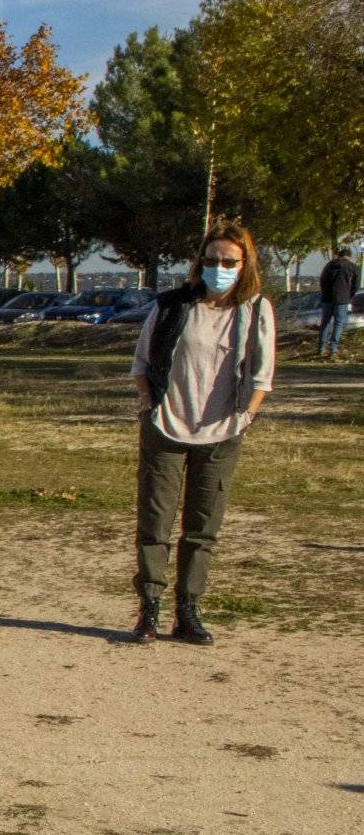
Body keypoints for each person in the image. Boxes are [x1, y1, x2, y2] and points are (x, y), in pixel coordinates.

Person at [128, 222, 275, 645]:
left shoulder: (255, 310)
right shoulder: (173, 305)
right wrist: (148, 405)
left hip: (221, 433)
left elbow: (262, 377)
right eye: (211, 260)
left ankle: (188, 612)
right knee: (155, 523)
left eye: (229, 261)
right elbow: (142, 363)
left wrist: (245, 417)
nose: (219, 268)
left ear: (245, 264)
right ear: (199, 263)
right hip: (165, 428)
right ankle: (149, 610)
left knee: (202, 527)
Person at [318, 244, 357, 359]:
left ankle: (321, 348)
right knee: (338, 324)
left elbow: (322, 280)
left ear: (339, 255)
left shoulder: (330, 265)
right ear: (349, 256)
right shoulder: (352, 267)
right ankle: (333, 350)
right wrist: (349, 296)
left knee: (325, 323)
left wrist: (325, 292)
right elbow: (355, 285)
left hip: (327, 298)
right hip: (342, 299)